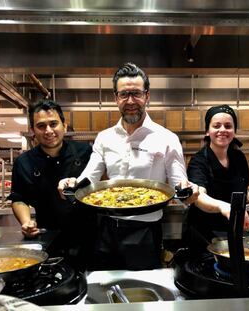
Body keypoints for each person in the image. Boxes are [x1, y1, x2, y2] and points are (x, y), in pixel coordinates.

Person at [58, 62, 198, 270]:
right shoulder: (104, 138)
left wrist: (189, 190)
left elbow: (180, 184)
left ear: (147, 96)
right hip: (105, 229)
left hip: (146, 230)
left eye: (136, 93)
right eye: (124, 94)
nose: (130, 101)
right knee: (104, 288)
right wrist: (71, 184)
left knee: (143, 292)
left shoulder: (166, 138)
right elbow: (90, 178)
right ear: (116, 98)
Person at [9, 100, 94, 270]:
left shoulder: (85, 151)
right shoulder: (24, 162)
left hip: (89, 238)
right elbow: (18, 199)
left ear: (64, 125)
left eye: (53, 124)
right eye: (41, 126)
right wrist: (26, 222)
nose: (48, 131)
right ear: (33, 131)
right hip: (49, 240)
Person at [184, 105, 249, 250]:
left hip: (234, 230)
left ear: (234, 131)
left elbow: (241, 184)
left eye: (228, 126)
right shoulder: (199, 161)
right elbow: (198, 197)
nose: (222, 130)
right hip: (204, 234)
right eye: (216, 126)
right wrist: (223, 206)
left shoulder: (239, 158)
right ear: (207, 131)